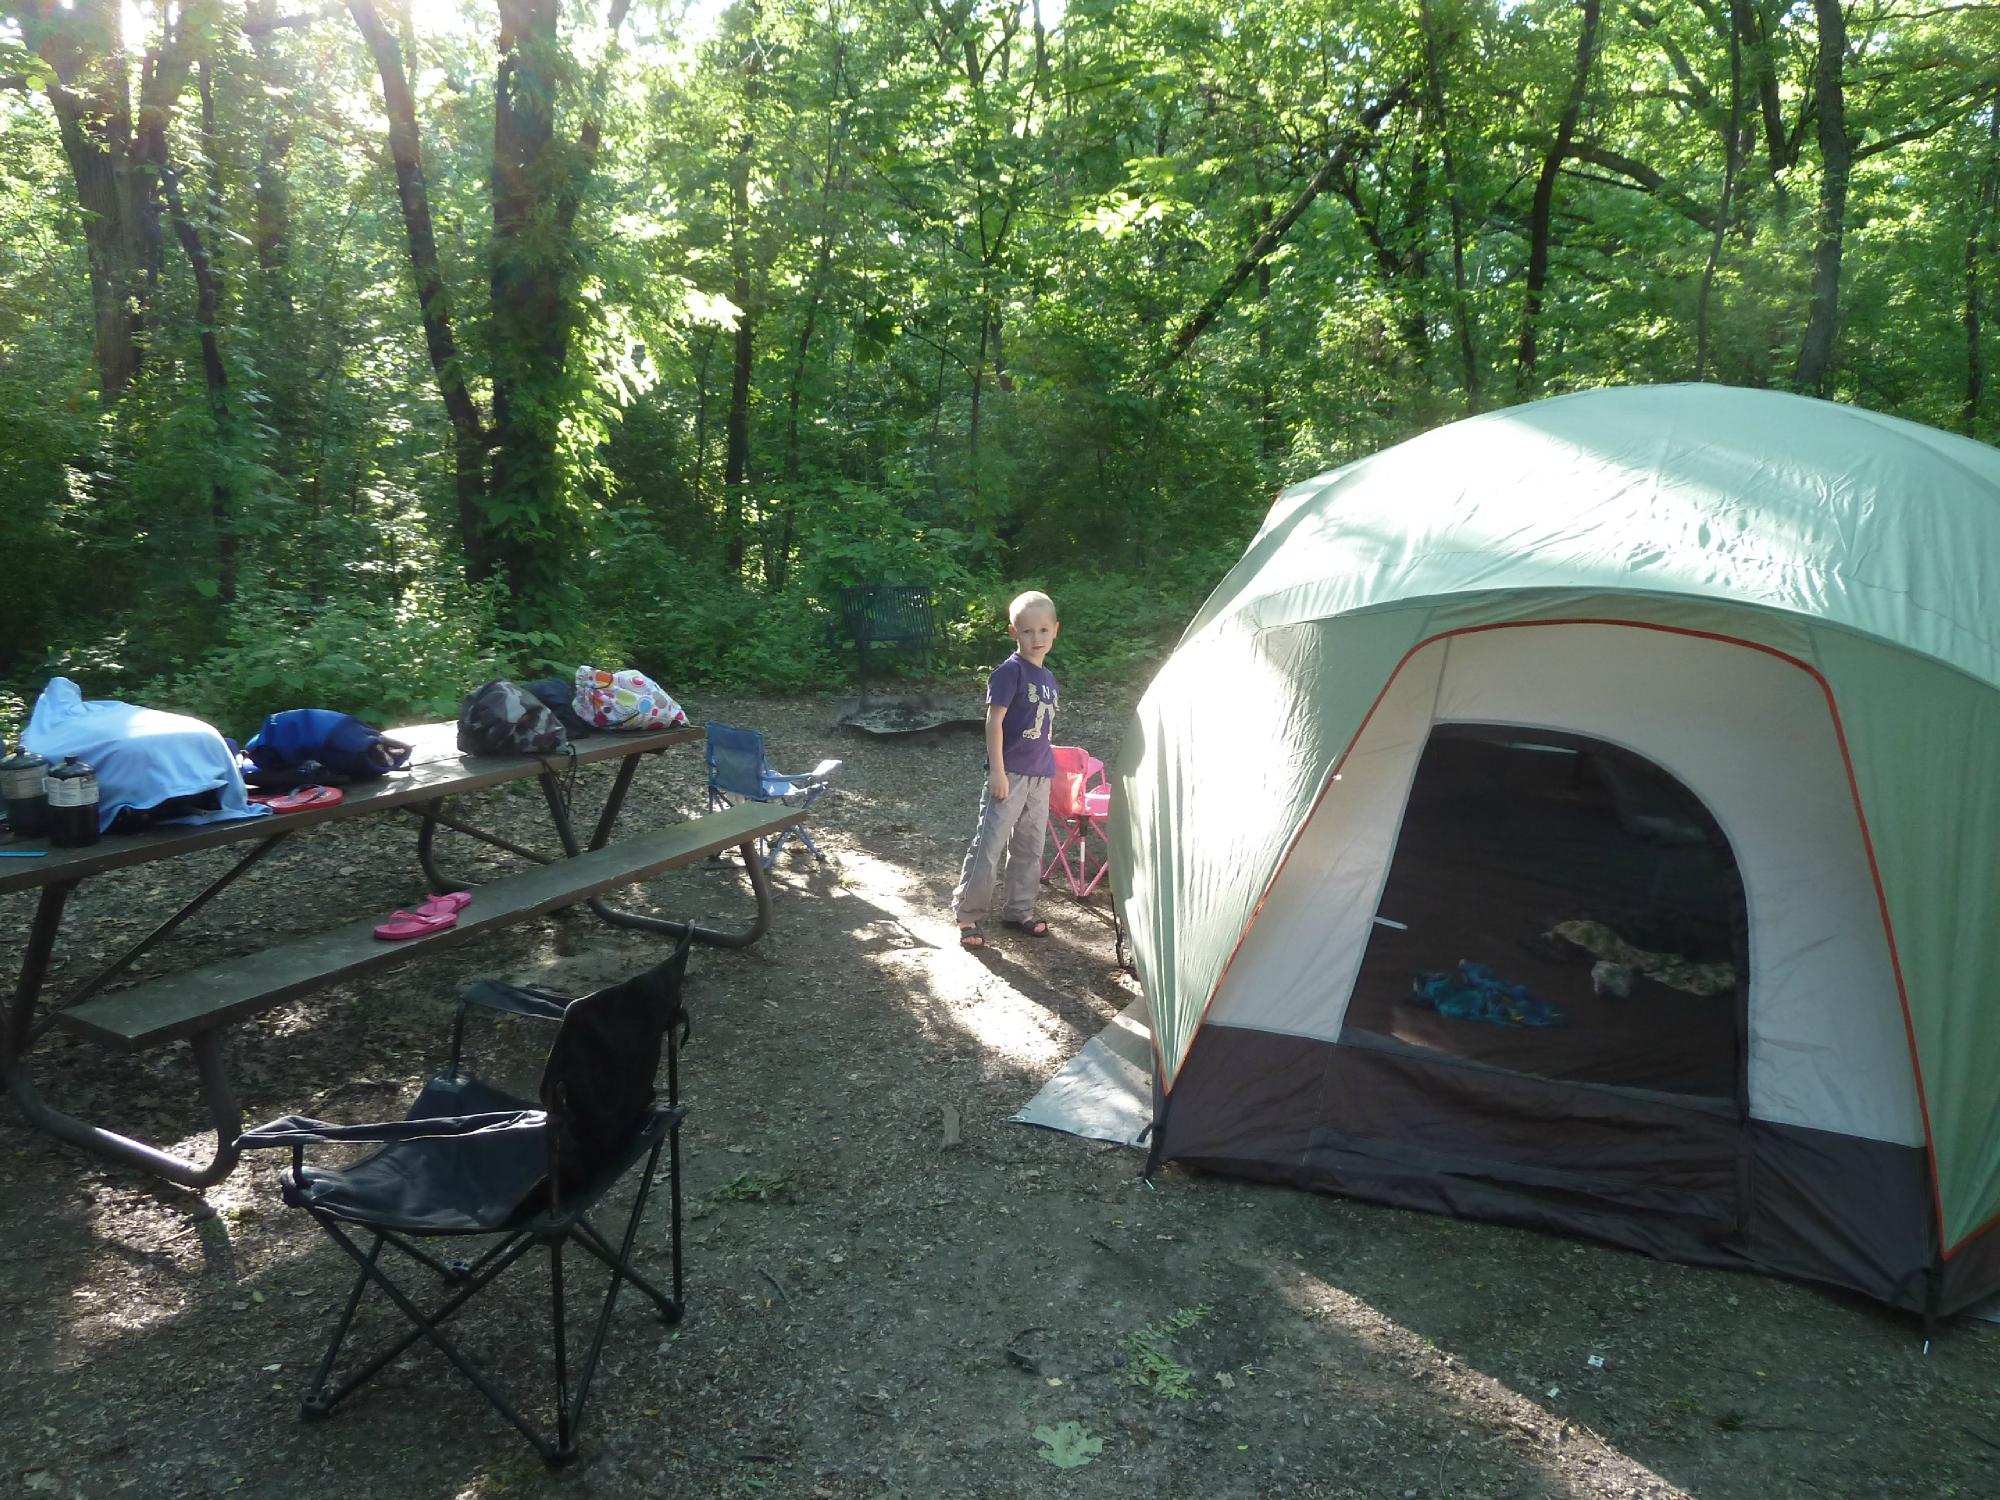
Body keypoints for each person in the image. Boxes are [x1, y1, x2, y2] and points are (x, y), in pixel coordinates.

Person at [952, 591, 1061, 948]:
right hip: (1009, 774)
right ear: (1013, 632)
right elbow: (993, 723)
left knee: (1030, 847)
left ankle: (1020, 910)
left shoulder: (1048, 678)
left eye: (1043, 630)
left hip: (1039, 776)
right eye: (1027, 631)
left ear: (1055, 631)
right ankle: (968, 915)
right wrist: (997, 771)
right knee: (990, 845)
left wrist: (1049, 771)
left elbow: (1043, 729)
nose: (1037, 638)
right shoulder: (1009, 672)